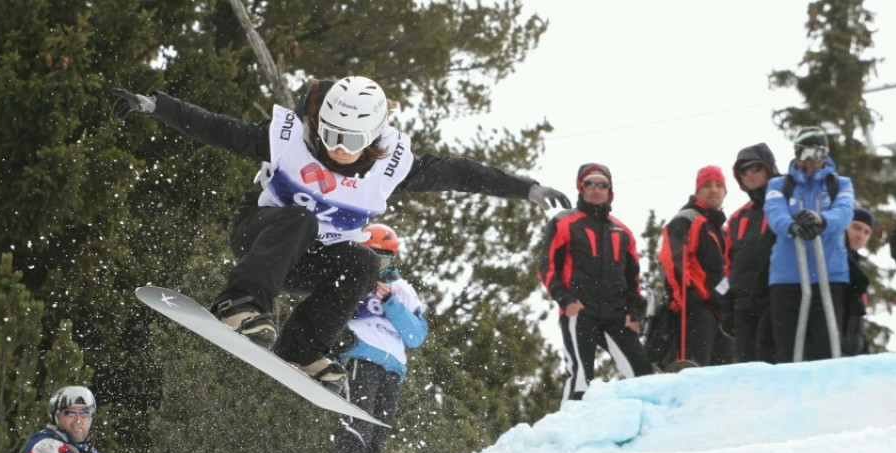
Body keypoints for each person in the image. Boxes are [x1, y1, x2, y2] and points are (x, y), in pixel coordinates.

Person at [112, 76, 569, 389]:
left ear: (371, 139)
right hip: (260, 236)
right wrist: (156, 106)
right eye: (329, 135)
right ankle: (239, 303)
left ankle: (303, 346)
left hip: (309, 261)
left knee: (363, 261)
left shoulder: (392, 168)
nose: (336, 149)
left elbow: (460, 174)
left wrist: (524, 189)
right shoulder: (289, 139)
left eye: (351, 142)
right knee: (301, 217)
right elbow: (216, 128)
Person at [538, 163, 653, 404]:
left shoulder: (622, 231)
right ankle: (567, 434)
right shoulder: (564, 222)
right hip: (580, 311)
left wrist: (635, 312)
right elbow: (547, 266)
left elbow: (633, 278)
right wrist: (565, 299)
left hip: (617, 313)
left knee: (643, 374)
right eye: (590, 183)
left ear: (610, 190)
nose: (596, 189)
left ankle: (647, 431)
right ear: (581, 187)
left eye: (602, 184)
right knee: (581, 377)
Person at [330, 224, 427, 453]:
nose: (378, 266)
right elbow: (330, 309)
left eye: (383, 259)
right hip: (362, 356)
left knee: (377, 439)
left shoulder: (403, 289)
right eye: (372, 257)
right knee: (357, 428)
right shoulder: (351, 276)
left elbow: (416, 336)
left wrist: (390, 302)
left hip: (393, 366)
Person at [764, 126, 854, 362]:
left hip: (829, 275)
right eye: (805, 155)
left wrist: (822, 221)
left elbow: (844, 213)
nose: (812, 162)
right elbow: (774, 213)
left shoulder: (840, 185)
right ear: (796, 154)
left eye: (818, 154)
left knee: (824, 347)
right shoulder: (779, 185)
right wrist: (792, 226)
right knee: (788, 348)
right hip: (788, 278)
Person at [658, 165, 733, 368]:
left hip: (719, 308)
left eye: (719, 185)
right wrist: (685, 296)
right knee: (696, 365)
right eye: (707, 185)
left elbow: (727, 270)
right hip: (695, 306)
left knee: (721, 367)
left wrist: (726, 296)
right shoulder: (688, 218)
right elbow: (671, 259)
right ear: (697, 190)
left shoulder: (721, 229)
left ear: (725, 192)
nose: (714, 190)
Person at [722, 144, 779, 363]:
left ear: (768, 168)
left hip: (775, 296)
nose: (750, 174)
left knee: (774, 359)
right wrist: (727, 306)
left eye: (755, 167)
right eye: (744, 171)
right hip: (744, 302)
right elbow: (729, 265)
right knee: (747, 363)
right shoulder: (738, 217)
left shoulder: (785, 204)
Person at [842, 207, 874, 356]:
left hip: (851, 354)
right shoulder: (835, 260)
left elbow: (858, 320)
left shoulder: (859, 271)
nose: (860, 235)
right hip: (832, 349)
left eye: (866, 232)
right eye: (857, 227)